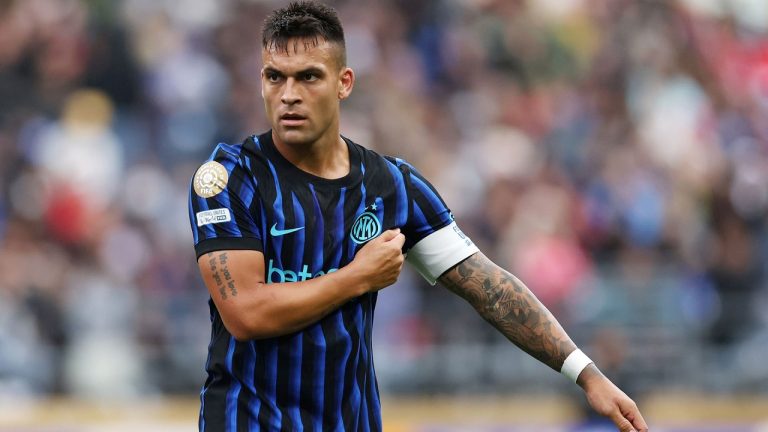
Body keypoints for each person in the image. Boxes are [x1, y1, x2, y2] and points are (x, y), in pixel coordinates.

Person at [188, 2, 649, 431]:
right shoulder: (228, 177)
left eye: (308, 77)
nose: (289, 95)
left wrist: (586, 374)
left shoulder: (391, 185)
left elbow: (488, 288)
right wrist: (358, 277)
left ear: (344, 83)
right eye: (275, 77)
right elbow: (245, 313)